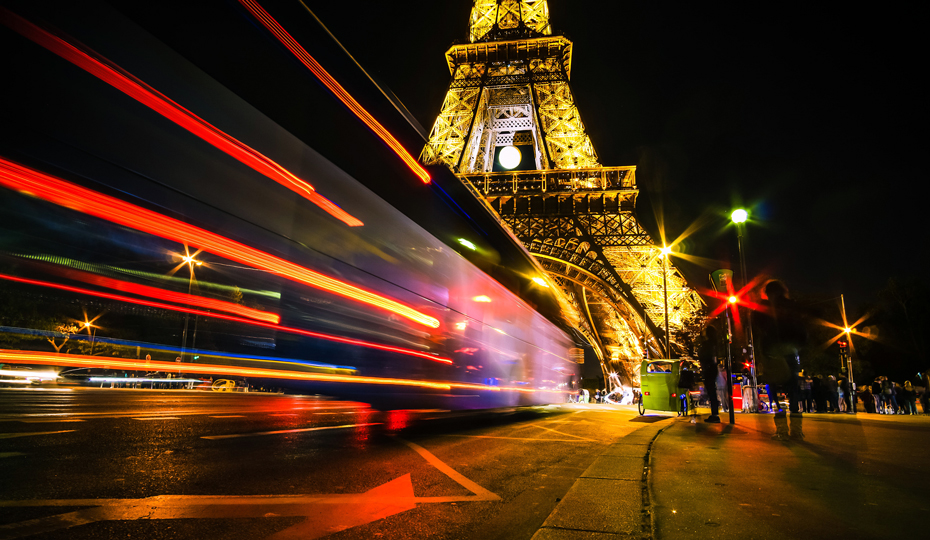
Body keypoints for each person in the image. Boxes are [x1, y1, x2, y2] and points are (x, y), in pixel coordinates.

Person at [755, 280, 807, 440]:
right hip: (790, 353)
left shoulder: (764, 309)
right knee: (793, 392)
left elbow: (761, 330)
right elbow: (802, 329)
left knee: (775, 395)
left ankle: (782, 430)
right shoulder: (791, 306)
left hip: (773, 355)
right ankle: (797, 430)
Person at [697, 325, 721, 423]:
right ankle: (714, 413)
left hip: (709, 369)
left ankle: (715, 415)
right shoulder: (713, 344)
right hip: (711, 368)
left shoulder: (708, 344)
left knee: (711, 391)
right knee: (712, 392)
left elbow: (704, 355)